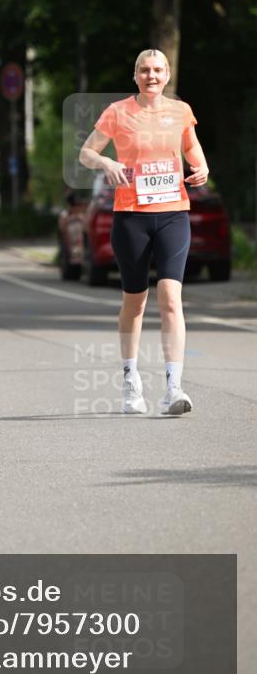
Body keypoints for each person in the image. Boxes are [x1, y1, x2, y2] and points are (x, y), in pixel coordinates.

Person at [79, 49, 210, 416]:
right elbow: (87, 153)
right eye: (144, 70)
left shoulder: (180, 111)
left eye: (157, 70)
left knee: (170, 297)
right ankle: (131, 379)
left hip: (172, 213)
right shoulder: (118, 112)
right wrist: (105, 161)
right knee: (134, 302)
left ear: (167, 75)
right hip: (131, 216)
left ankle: (173, 387)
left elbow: (191, 147)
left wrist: (201, 168)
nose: (151, 75)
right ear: (135, 75)